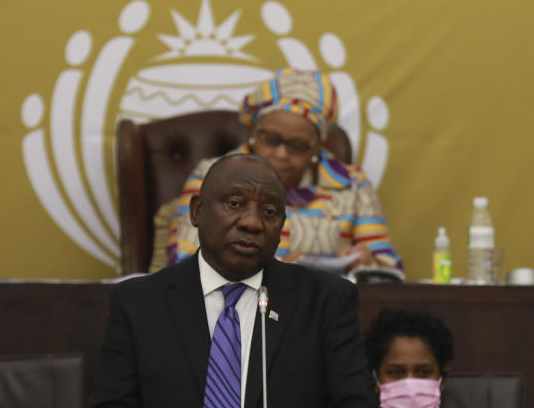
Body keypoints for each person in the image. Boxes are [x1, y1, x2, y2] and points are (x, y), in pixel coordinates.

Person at [85, 153, 388, 408]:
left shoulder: (324, 301)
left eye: (269, 212)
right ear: (196, 211)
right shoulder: (140, 303)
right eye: (234, 205)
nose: (251, 222)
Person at [164, 68, 403, 275]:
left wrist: (369, 263)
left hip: (325, 312)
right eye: (270, 139)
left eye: (297, 146)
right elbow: (185, 260)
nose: (280, 154)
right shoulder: (212, 175)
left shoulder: (352, 184)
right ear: (254, 132)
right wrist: (277, 271)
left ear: (316, 148)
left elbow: (389, 269)